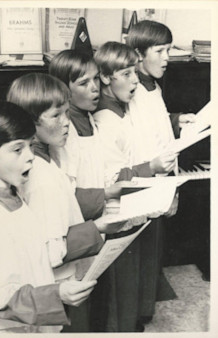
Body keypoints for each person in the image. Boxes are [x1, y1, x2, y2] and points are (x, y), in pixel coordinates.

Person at [6, 73, 129, 332]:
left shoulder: (41, 161)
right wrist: (99, 228)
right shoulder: (42, 178)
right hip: (59, 285)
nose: (66, 123)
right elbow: (52, 252)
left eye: (66, 112)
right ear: (27, 122)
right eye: (56, 116)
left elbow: (64, 203)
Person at [0, 101, 98, 334]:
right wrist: (57, 294)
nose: (30, 156)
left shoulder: (15, 198)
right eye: (17, 149)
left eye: (30, 146)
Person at [91, 41, 178, 332]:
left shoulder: (120, 109)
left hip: (133, 202)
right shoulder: (106, 119)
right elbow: (111, 178)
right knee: (121, 287)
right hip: (119, 208)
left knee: (132, 278)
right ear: (105, 78)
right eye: (127, 74)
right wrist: (150, 168)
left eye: (134, 73)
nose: (135, 81)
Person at [126, 20, 196, 323]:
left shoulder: (153, 84)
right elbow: (136, 133)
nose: (167, 57)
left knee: (154, 242)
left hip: (161, 172)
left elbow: (158, 118)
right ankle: (138, 312)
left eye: (169, 49)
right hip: (145, 174)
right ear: (139, 54)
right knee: (142, 244)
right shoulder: (133, 87)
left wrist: (178, 119)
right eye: (161, 50)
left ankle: (146, 303)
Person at [48, 49, 123, 222]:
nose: (95, 88)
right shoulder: (64, 132)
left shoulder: (88, 117)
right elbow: (66, 194)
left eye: (96, 78)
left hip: (95, 217)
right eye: (84, 83)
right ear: (63, 89)